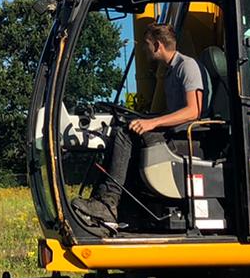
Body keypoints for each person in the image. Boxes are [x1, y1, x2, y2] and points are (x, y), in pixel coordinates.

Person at [76, 22, 203, 226]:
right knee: (122, 128)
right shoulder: (169, 71)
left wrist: (152, 123)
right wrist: (143, 119)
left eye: (146, 44)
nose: (144, 49)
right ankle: (116, 206)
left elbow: (193, 111)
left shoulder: (186, 66)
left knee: (125, 136)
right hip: (173, 131)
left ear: (157, 45)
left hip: (186, 137)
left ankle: (108, 203)